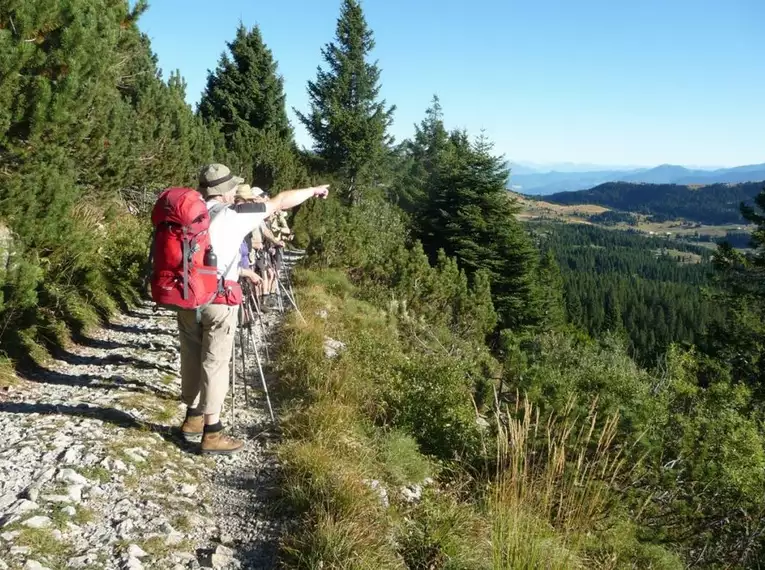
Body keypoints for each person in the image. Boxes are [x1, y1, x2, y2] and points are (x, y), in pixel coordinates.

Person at [177, 164, 329, 454]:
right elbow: (281, 201)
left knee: (192, 357)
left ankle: (192, 418)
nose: (236, 190)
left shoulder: (188, 214)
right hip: (218, 300)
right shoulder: (233, 215)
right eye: (233, 186)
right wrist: (313, 190)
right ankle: (212, 432)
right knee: (216, 361)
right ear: (224, 191)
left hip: (186, 297)